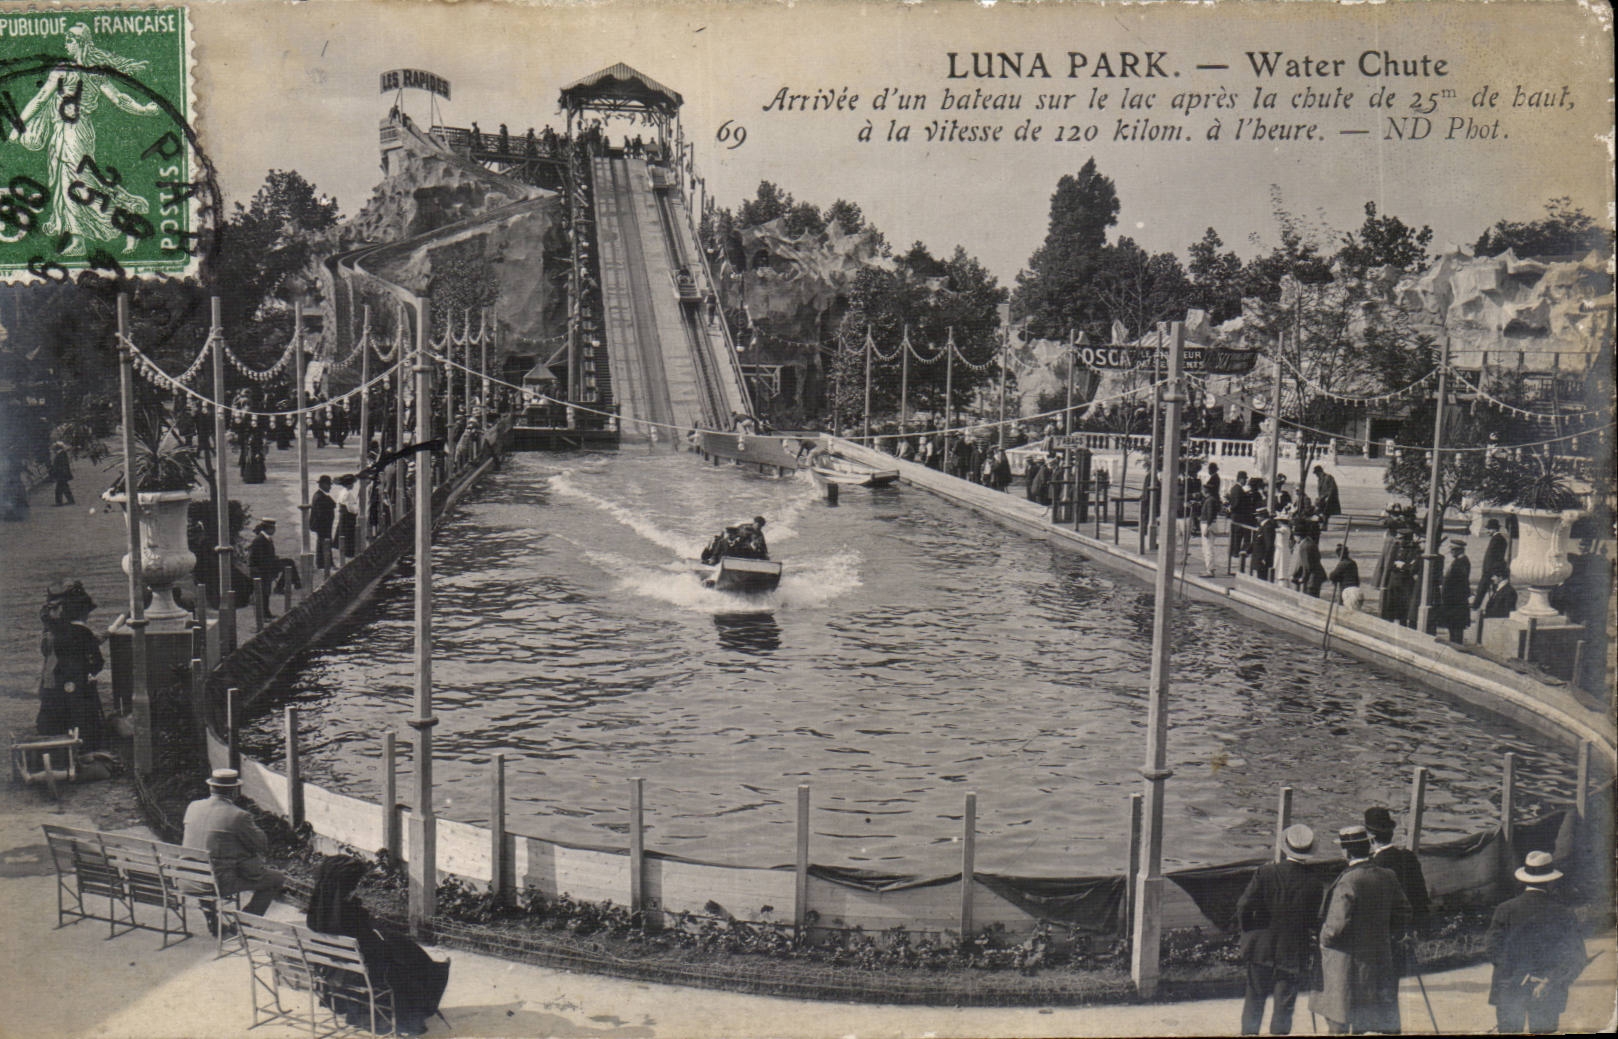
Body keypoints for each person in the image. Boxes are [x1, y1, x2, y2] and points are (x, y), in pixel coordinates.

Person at [306, 855, 451, 1035]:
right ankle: (413, 1011)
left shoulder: (317, 912)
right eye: (354, 885)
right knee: (412, 960)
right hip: (360, 974)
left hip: (331, 970)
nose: (355, 889)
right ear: (345, 888)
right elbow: (374, 950)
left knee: (406, 952)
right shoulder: (349, 916)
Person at [1311, 825, 1411, 1036]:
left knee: (1339, 1017)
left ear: (1346, 852)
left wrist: (1323, 939)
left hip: (1346, 961)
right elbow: (1403, 911)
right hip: (1378, 958)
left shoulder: (1349, 881)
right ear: (1368, 848)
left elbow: (1335, 927)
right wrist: (1386, 934)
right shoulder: (1387, 875)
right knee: (1365, 1015)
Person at [1485, 850, 1589, 1034]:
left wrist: (1520, 975)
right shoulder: (1564, 913)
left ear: (1523, 879)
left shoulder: (1505, 910)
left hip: (1509, 988)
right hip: (1547, 990)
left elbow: (1493, 949)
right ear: (1551, 881)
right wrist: (1549, 980)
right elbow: (1576, 957)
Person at [1237, 824, 1325, 1036]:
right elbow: (1312, 919)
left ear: (1286, 848)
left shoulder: (1265, 872)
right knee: (1284, 1004)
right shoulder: (1314, 882)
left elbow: (1243, 906)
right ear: (1309, 851)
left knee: (1254, 1000)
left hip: (1261, 946)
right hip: (1293, 948)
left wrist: (1249, 931)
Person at [182, 768, 286, 924]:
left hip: (185, 878)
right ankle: (244, 924)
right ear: (235, 791)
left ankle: (212, 918)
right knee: (276, 878)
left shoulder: (193, 806)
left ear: (211, 787)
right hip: (216, 883)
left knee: (205, 859)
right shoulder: (238, 815)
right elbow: (261, 844)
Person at [37, 581, 107, 748]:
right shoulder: (82, 632)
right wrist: (90, 670)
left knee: (53, 724)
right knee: (81, 723)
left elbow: (46, 652)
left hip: (50, 684)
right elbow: (97, 662)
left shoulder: (49, 632)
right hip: (75, 688)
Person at [1364, 807, 1430, 937]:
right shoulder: (1408, 856)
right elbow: (1421, 897)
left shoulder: (1374, 866)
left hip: (1388, 932)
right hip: (1412, 926)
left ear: (1370, 837)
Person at [247, 518, 301, 611]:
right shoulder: (260, 540)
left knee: (289, 562)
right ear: (268, 529)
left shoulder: (265, 538)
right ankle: (294, 584)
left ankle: (292, 584)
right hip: (264, 568)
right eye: (273, 528)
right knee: (265, 591)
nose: (274, 531)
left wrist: (274, 558)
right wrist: (271, 565)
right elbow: (258, 558)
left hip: (268, 565)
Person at [1383, 529, 1420, 626]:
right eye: (1398, 538)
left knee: (1403, 608)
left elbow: (1413, 567)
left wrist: (1403, 566)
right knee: (1391, 607)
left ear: (1407, 539)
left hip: (1405, 583)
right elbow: (1390, 564)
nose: (1398, 540)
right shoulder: (1396, 547)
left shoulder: (1414, 550)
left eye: (1401, 539)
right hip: (1394, 581)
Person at [1439, 537, 1472, 643]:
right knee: (1453, 628)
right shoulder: (1458, 561)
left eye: (1453, 550)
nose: (1451, 552)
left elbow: (1460, 584)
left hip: (1456, 603)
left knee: (1456, 629)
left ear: (1459, 550)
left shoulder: (1462, 562)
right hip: (1453, 602)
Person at [1474, 518, 1510, 610]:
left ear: (1494, 529)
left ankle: (1476, 606)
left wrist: (1492, 571)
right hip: (1491, 569)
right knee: (1487, 589)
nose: (1487, 532)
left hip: (1491, 570)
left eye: (1489, 529)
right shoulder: (1497, 538)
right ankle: (1486, 605)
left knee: (1483, 589)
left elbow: (1495, 557)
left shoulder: (1497, 539)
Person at [1291, 523, 1327, 598]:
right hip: (1317, 576)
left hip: (1311, 580)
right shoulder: (1310, 542)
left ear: (1299, 536)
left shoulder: (1303, 547)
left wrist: (1302, 578)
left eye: (1295, 536)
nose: (1294, 538)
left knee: (1309, 599)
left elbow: (1307, 566)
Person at [310, 476, 337, 570]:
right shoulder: (320, 497)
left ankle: (322, 563)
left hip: (322, 525)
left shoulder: (320, 495)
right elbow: (322, 513)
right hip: (323, 525)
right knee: (325, 543)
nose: (330, 487)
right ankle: (327, 563)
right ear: (323, 485)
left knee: (321, 543)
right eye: (329, 485)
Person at [1329, 544, 1362, 610]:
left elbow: (1332, 576)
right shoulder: (1353, 563)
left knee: (1344, 610)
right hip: (1356, 590)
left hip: (1347, 592)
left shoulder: (1342, 564)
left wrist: (1335, 579)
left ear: (1339, 555)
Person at [1313, 465, 1341, 532]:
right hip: (1322, 498)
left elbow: (1332, 488)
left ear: (1320, 471)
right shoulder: (1320, 479)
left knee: (1326, 512)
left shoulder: (1328, 477)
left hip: (1329, 498)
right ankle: (1321, 524)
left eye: (1316, 473)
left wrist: (1327, 497)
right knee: (1318, 511)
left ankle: (1324, 526)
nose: (1316, 475)